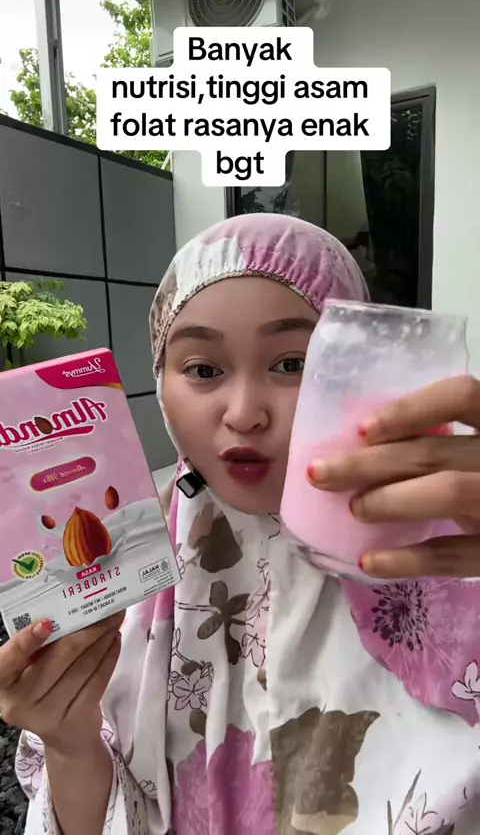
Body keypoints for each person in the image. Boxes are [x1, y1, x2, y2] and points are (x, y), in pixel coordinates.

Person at [2, 213, 480, 835]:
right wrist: (69, 743)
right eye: (203, 370)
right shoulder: (119, 578)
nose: (245, 413)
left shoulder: (451, 551)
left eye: (292, 363)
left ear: (358, 369)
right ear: (161, 383)